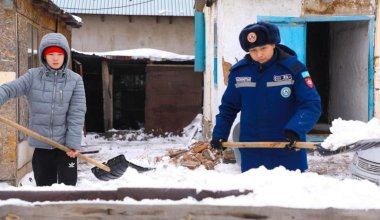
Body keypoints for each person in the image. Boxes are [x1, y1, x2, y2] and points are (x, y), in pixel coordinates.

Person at [210, 22, 321, 172]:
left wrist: (296, 129)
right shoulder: (239, 73)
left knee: (291, 194)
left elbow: (310, 104)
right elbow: (228, 108)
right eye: (253, 50)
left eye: (263, 48)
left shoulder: (294, 69)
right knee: (255, 193)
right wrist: (220, 134)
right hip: (252, 151)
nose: (259, 54)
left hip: (288, 148)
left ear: (274, 44)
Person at [0, 33, 86, 186]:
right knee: (44, 191)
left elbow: (77, 113)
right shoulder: (33, 76)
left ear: (65, 56)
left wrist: (73, 144)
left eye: (59, 54)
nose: (55, 58)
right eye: (51, 54)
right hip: (41, 146)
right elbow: (9, 89)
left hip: (66, 147)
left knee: (68, 191)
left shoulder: (75, 80)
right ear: (43, 56)